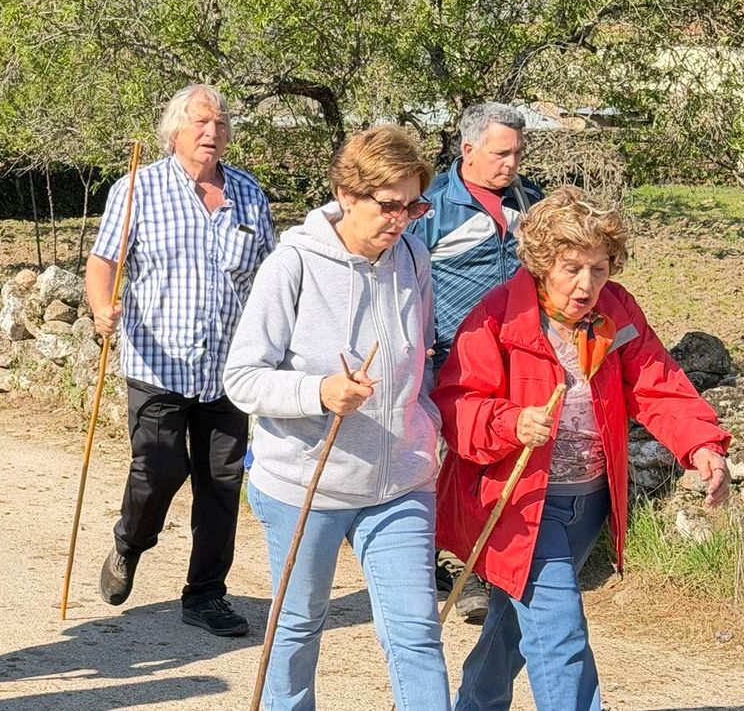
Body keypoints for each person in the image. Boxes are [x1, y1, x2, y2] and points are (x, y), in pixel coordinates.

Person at [435, 186, 731, 711]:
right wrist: (510, 421)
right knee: (560, 634)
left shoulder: (616, 309)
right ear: (542, 262)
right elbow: (455, 406)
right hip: (521, 500)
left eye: (599, 268)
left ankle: (474, 706)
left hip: (589, 498)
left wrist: (701, 444)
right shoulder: (498, 315)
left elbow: (656, 384)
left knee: (512, 627)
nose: (586, 284)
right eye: (571, 268)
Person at [224, 125, 449, 711]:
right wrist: (318, 391)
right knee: (296, 630)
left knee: (417, 634)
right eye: (389, 204)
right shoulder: (292, 264)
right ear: (347, 195)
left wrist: (426, 425)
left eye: (413, 205)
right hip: (307, 483)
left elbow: (419, 357)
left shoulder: (413, 256)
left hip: (400, 481)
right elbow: (242, 378)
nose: (401, 219)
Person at [86, 83, 275, 638]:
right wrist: (102, 309)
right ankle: (130, 543)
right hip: (157, 362)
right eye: (200, 123)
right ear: (175, 131)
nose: (211, 132)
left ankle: (206, 595)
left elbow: (269, 278)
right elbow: (104, 263)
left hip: (227, 368)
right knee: (160, 469)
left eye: (219, 123)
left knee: (221, 483)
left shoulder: (248, 194)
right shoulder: (136, 188)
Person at [408, 103, 544, 622]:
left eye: (516, 153)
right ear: (468, 151)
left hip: (512, 359)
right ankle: (445, 561)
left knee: (490, 460)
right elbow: (405, 278)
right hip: (446, 357)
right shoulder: (433, 207)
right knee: (444, 460)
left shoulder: (527, 199)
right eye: (500, 153)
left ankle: (484, 566)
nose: (511, 163)